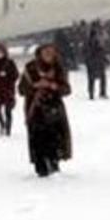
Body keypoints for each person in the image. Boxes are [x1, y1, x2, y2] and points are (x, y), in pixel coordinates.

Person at [19, 43, 73, 177]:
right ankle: (41, 167)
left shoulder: (58, 68)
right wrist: (35, 86)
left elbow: (67, 89)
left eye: (51, 52)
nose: (49, 55)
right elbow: (21, 89)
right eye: (46, 52)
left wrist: (55, 86)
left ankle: (54, 164)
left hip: (54, 108)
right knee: (38, 139)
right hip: (36, 108)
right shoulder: (30, 68)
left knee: (54, 139)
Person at [83, 21, 109, 100]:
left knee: (91, 79)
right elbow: (101, 50)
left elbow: (84, 52)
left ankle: (91, 94)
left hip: (90, 62)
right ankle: (102, 93)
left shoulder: (87, 42)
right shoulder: (97, 41)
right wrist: (105, 59)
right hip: (98, 62)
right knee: (103, 78)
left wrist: (87, 60)